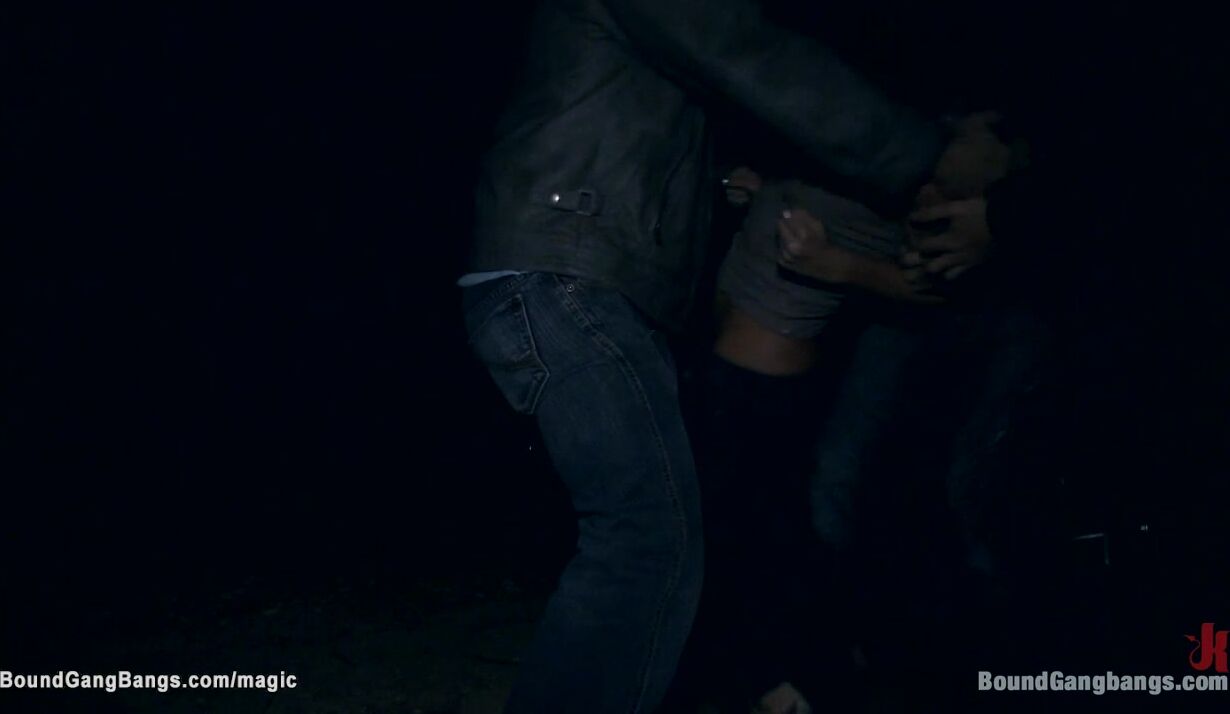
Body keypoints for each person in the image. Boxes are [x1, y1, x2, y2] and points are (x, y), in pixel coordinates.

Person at [459, 2, 1007, 712]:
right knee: (646, 534)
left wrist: (727, 177)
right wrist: (932, 155)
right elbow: (754, 55)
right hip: (564, 273)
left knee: (667, 531)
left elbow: (664, 108)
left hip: (583, 275)